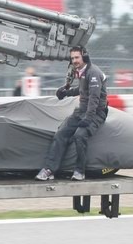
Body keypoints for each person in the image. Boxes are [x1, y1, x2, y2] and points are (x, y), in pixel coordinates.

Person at [35, 46, 108, 181]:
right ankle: (49, 170)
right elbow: (81, 90)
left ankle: (80, 171)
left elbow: (94, 98)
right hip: (81, 110)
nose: (74, 61)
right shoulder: (80, 71)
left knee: (80, 135)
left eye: (77, 57)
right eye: (72, 58)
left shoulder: (93, 73)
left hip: (96, 113)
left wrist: (89, 118)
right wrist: (65, 92)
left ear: (84, 57)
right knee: (61, 133)